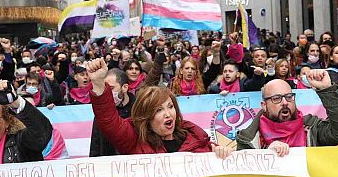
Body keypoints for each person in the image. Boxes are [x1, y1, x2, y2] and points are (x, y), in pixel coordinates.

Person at [87, 58, 232, 157]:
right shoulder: (134, 140)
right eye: (159, 110)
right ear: (147, 117)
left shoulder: (194, 135)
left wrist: (219, 151)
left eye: (170, 106)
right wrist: (99, 85)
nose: (168, 114)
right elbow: (108, 121)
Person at [235, 71, 338, 155]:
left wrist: (326, 89)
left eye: (289, 97)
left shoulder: (311, 128)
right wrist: (264, 154)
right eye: (276, 98)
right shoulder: (248, 139)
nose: (284, 102)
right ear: (264, 106)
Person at [90, 68, 135, 157]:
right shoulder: (101, 114)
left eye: (111, 88)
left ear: (125, 87)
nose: (107, 92)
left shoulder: (138, 111)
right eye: (105, 88)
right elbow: (95, 145)